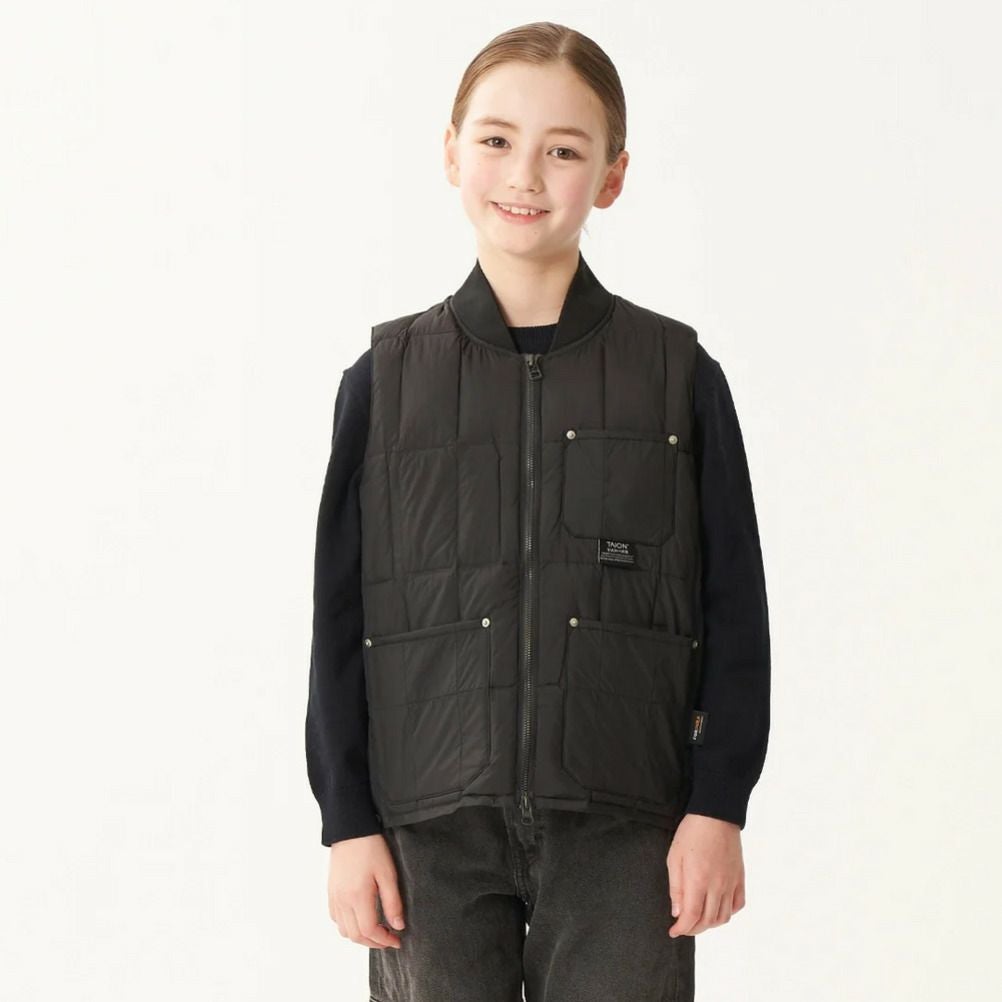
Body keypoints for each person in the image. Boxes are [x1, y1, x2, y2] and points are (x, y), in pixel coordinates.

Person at [306, 21, 770, 1002]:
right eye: (496, 139)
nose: (525, 173)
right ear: (451, 152)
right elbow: (341, 619)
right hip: (429, 826)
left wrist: (718, 804)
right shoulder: (384, 383)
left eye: (563, 150)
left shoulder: (676, 375)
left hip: (626, 820)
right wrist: (347, 823)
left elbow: (735, 607)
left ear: (611, 175)